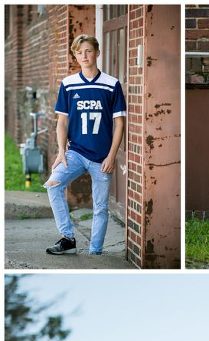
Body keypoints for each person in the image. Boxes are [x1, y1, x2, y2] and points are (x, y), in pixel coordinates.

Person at [44, 34, 126, 255]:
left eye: (88, 51)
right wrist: (62, 152)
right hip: (76, 152)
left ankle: (95, 252)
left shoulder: (112, 84)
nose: (84, 56)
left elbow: (119, 123)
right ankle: (68, 238)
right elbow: (62, 122)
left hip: (102, 158)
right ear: (75, 55)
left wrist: (111, 156)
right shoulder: (69, 84)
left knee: (100, 208)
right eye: (79, 52)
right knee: (53, 184)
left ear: (97, 52)